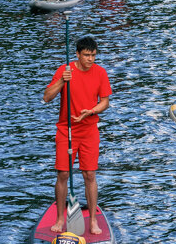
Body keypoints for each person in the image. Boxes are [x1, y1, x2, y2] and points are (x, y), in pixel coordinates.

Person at [43, 36, 112, 235]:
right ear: (77, 54)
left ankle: (92, 220)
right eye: (87, 55)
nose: (91, 59)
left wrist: (91, 111)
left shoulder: (100, 72)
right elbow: (47, 97)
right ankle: (59, 218)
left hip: (89, 130)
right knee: (63, 174)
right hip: (67, 130)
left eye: (93, 55)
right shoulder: (65, 70)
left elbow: (105, 102)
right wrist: (62, 82)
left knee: (89, 174)